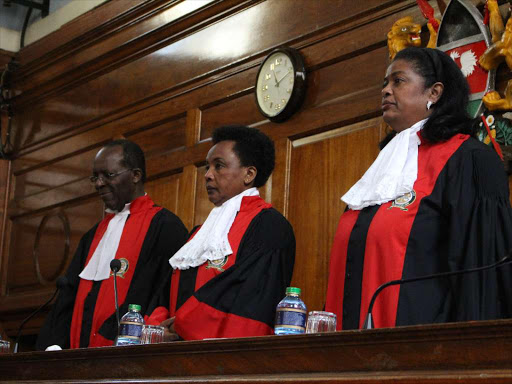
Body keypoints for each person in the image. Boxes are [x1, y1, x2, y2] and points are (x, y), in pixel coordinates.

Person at [325, 47, 512, 330]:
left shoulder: (469, 160)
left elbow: (480, 280)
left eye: (398, 81)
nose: (386, 91)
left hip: (421, 353)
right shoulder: (384, 164)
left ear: (433, 93)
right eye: (384, 84)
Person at [146, 125, 295, 340]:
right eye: (208, 167)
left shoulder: (269, 226)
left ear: (249, 174)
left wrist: (182, 328)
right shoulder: (197, 233)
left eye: (219, 166)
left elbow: (249, 299)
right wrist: (157, 328)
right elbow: (165, 291)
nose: (207, 175)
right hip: (171, 353)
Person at [36, 140, 188, 349]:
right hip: (76, 357)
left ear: (135, 175)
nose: (99, 184)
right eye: (95, 177)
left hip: (127, 356)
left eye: (108, 175)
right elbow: (67, 298)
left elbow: (161, 295)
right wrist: (54, 346)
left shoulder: (165, 227)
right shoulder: (92, 237)